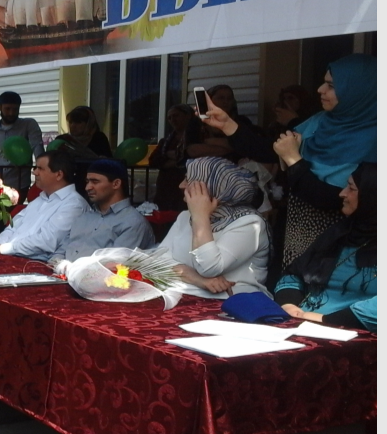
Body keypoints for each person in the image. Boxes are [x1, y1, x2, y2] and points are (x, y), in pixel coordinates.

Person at [203, 54, 376, 269]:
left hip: (341, 244)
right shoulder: (320, 122)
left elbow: (331, 198)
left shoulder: (374, 140)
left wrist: (294, 159)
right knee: (288, 285)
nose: (320, 89)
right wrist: (227, 124)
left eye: (331, 86)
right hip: (296, 234)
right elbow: (271, 150)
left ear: (358, 90)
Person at [275, 163, 376, 333]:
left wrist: (325, 320)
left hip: (350, 334)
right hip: (300, 323)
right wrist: (288, 304)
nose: (342, 193)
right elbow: (294, 274)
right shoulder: (338, 234)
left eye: (351, 188)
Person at [159, 157, 270, 298]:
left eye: (188, 180)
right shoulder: (185, 216)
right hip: (186, 296)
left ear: (213, 186)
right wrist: (195, 278)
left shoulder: (249, 223)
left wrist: (200, 216)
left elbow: (209, 268)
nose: (181, 185)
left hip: (234, 302)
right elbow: (157, 261)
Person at [0, 150, 87, 262]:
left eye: (40, 169)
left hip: (33, 263)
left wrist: (3, 249)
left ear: (59, 175)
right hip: (8, 256)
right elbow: (12, 227)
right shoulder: (40, 199)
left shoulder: (74, 204)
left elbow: (46, 241)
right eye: (35, 168)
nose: (35, 172)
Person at [56, 158, 155, 262]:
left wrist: (69, 268)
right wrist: (55, 265)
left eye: (95, 182)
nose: (87, 187)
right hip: (62, 270)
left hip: (97, 272)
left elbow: (115, 264)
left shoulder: (132, 222)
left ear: (116, 184)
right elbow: (60, 251)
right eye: (87, 182)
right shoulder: (84, 217)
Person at [0, 91, 44, 202]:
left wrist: (42, 168)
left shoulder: (28, 125)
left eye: (15, 109)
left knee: (16, 211)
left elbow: (37, 147)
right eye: (7, 109)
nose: (11, 113)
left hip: (19, 182)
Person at [148, 104, 202, 211]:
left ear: (188, 116)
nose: (173, 120)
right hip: (166, 188)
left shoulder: (199, 137)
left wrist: (174, 158)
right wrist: (176, 158)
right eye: (169, 118)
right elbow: (153, 161)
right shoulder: (166, 141)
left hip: (187, 187)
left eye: (176, 116)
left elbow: (195, 158)